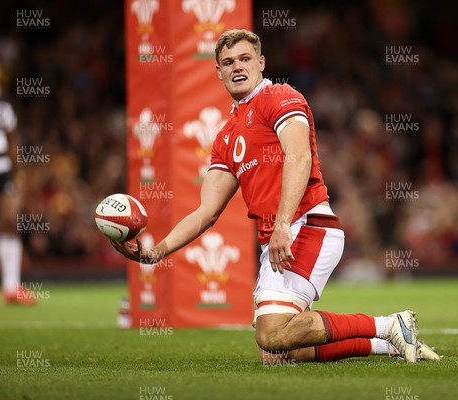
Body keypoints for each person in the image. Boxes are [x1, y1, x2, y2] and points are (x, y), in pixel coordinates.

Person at [112, 29, 440, 363]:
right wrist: (155, 252)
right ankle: (389, 344)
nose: (237, 67)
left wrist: (282, 223)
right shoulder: (225, 137)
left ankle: (389, 324)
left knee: (271, 334)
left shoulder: (279, 97)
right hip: (279, 238)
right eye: (227, 62)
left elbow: (299, 157)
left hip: (308, 226)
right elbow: (206, 212)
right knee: (278, 352)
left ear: (261, 63)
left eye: (244, 59)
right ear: (218, 71)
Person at [0, 51, 36, 305]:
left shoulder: (4, 105)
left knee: (10, 223)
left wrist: (17, 175)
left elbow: (13, 141)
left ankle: (12, 289)